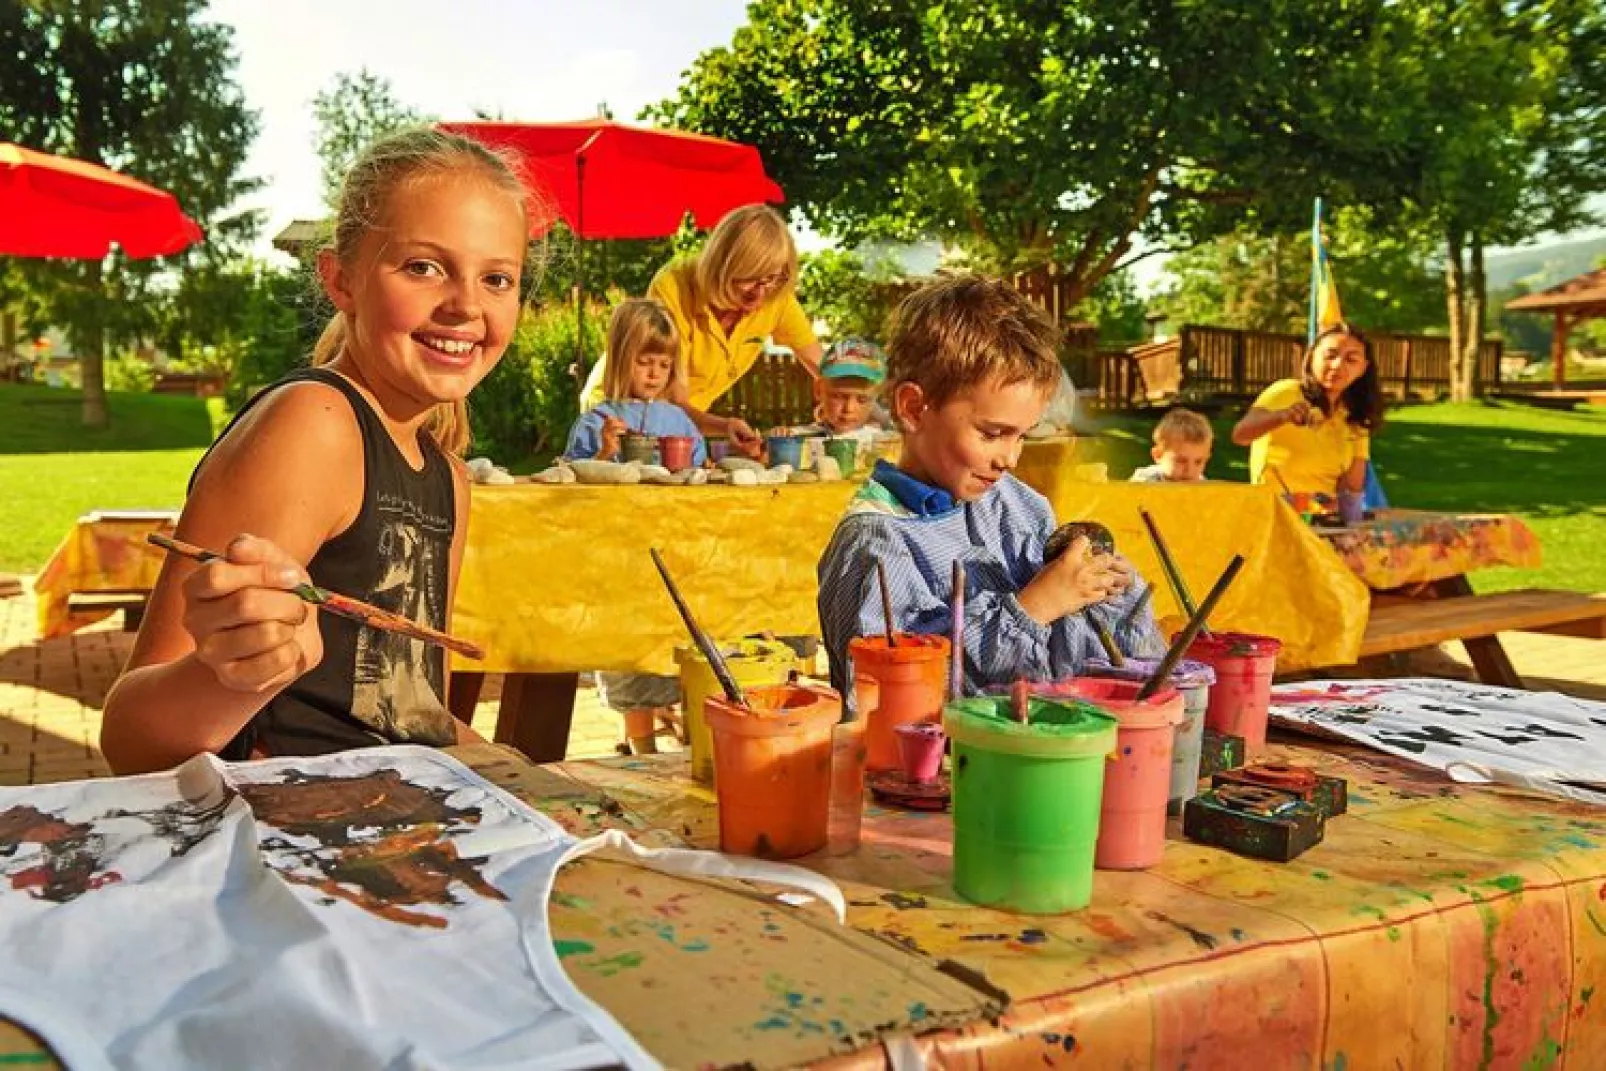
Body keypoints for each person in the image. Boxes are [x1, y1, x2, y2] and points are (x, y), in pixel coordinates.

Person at [100, 128, 534, 773]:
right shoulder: (316, 423)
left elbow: (412, 710)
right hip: (281, 834)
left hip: (404, 820)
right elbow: (131, 742)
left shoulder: (448, 475)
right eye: (423, 266)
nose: (466, 304)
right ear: (341, 279)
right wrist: (235, 675)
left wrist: (516, 769)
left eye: (497, 278)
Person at [816, 275, 1162, 701]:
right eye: (993, 433)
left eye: (1022, 436)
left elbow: (1070, 674)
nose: (1010, 458)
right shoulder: (877, 543)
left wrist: (1099, 595)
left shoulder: (1020, 508)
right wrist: (1032, 608)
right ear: (912, 408)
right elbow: (888, 701)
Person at [581, 204, 823, 455]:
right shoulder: (674, 289)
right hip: (621, 409)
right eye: (749, 279)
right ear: (724, 266)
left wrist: (846, 400)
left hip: (675, 422)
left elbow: (822, 365)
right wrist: (723, 426)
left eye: (771, 279)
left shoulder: (776, 298)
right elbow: (673, 398)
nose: (760, 294)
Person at [1231, 323, 1383, 498]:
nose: (1337, 365)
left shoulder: (1356, 415)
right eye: (1330, 355)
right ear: (1311, 357)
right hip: (1276, 508)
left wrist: (1337, 512)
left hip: (1323, 516)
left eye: (1351, 360)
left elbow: (1352, 486)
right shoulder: (1287, 391)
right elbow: (1240, 435)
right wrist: (1282, 416)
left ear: (1363, 369)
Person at [564, 298, 705, 466]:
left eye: (665, 365)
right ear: (619, 359)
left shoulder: (679, 422)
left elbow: (700, 469)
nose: (655, 374)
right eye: (644, 362)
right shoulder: (595, 422)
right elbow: (571, 480)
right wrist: (603, 455)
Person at [1131, 408, 1213, 483]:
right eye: (1181, 461)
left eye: (1198, 462)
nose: (1190, 470)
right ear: (1158, 455)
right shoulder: (1144, 481)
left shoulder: (1202, 485)